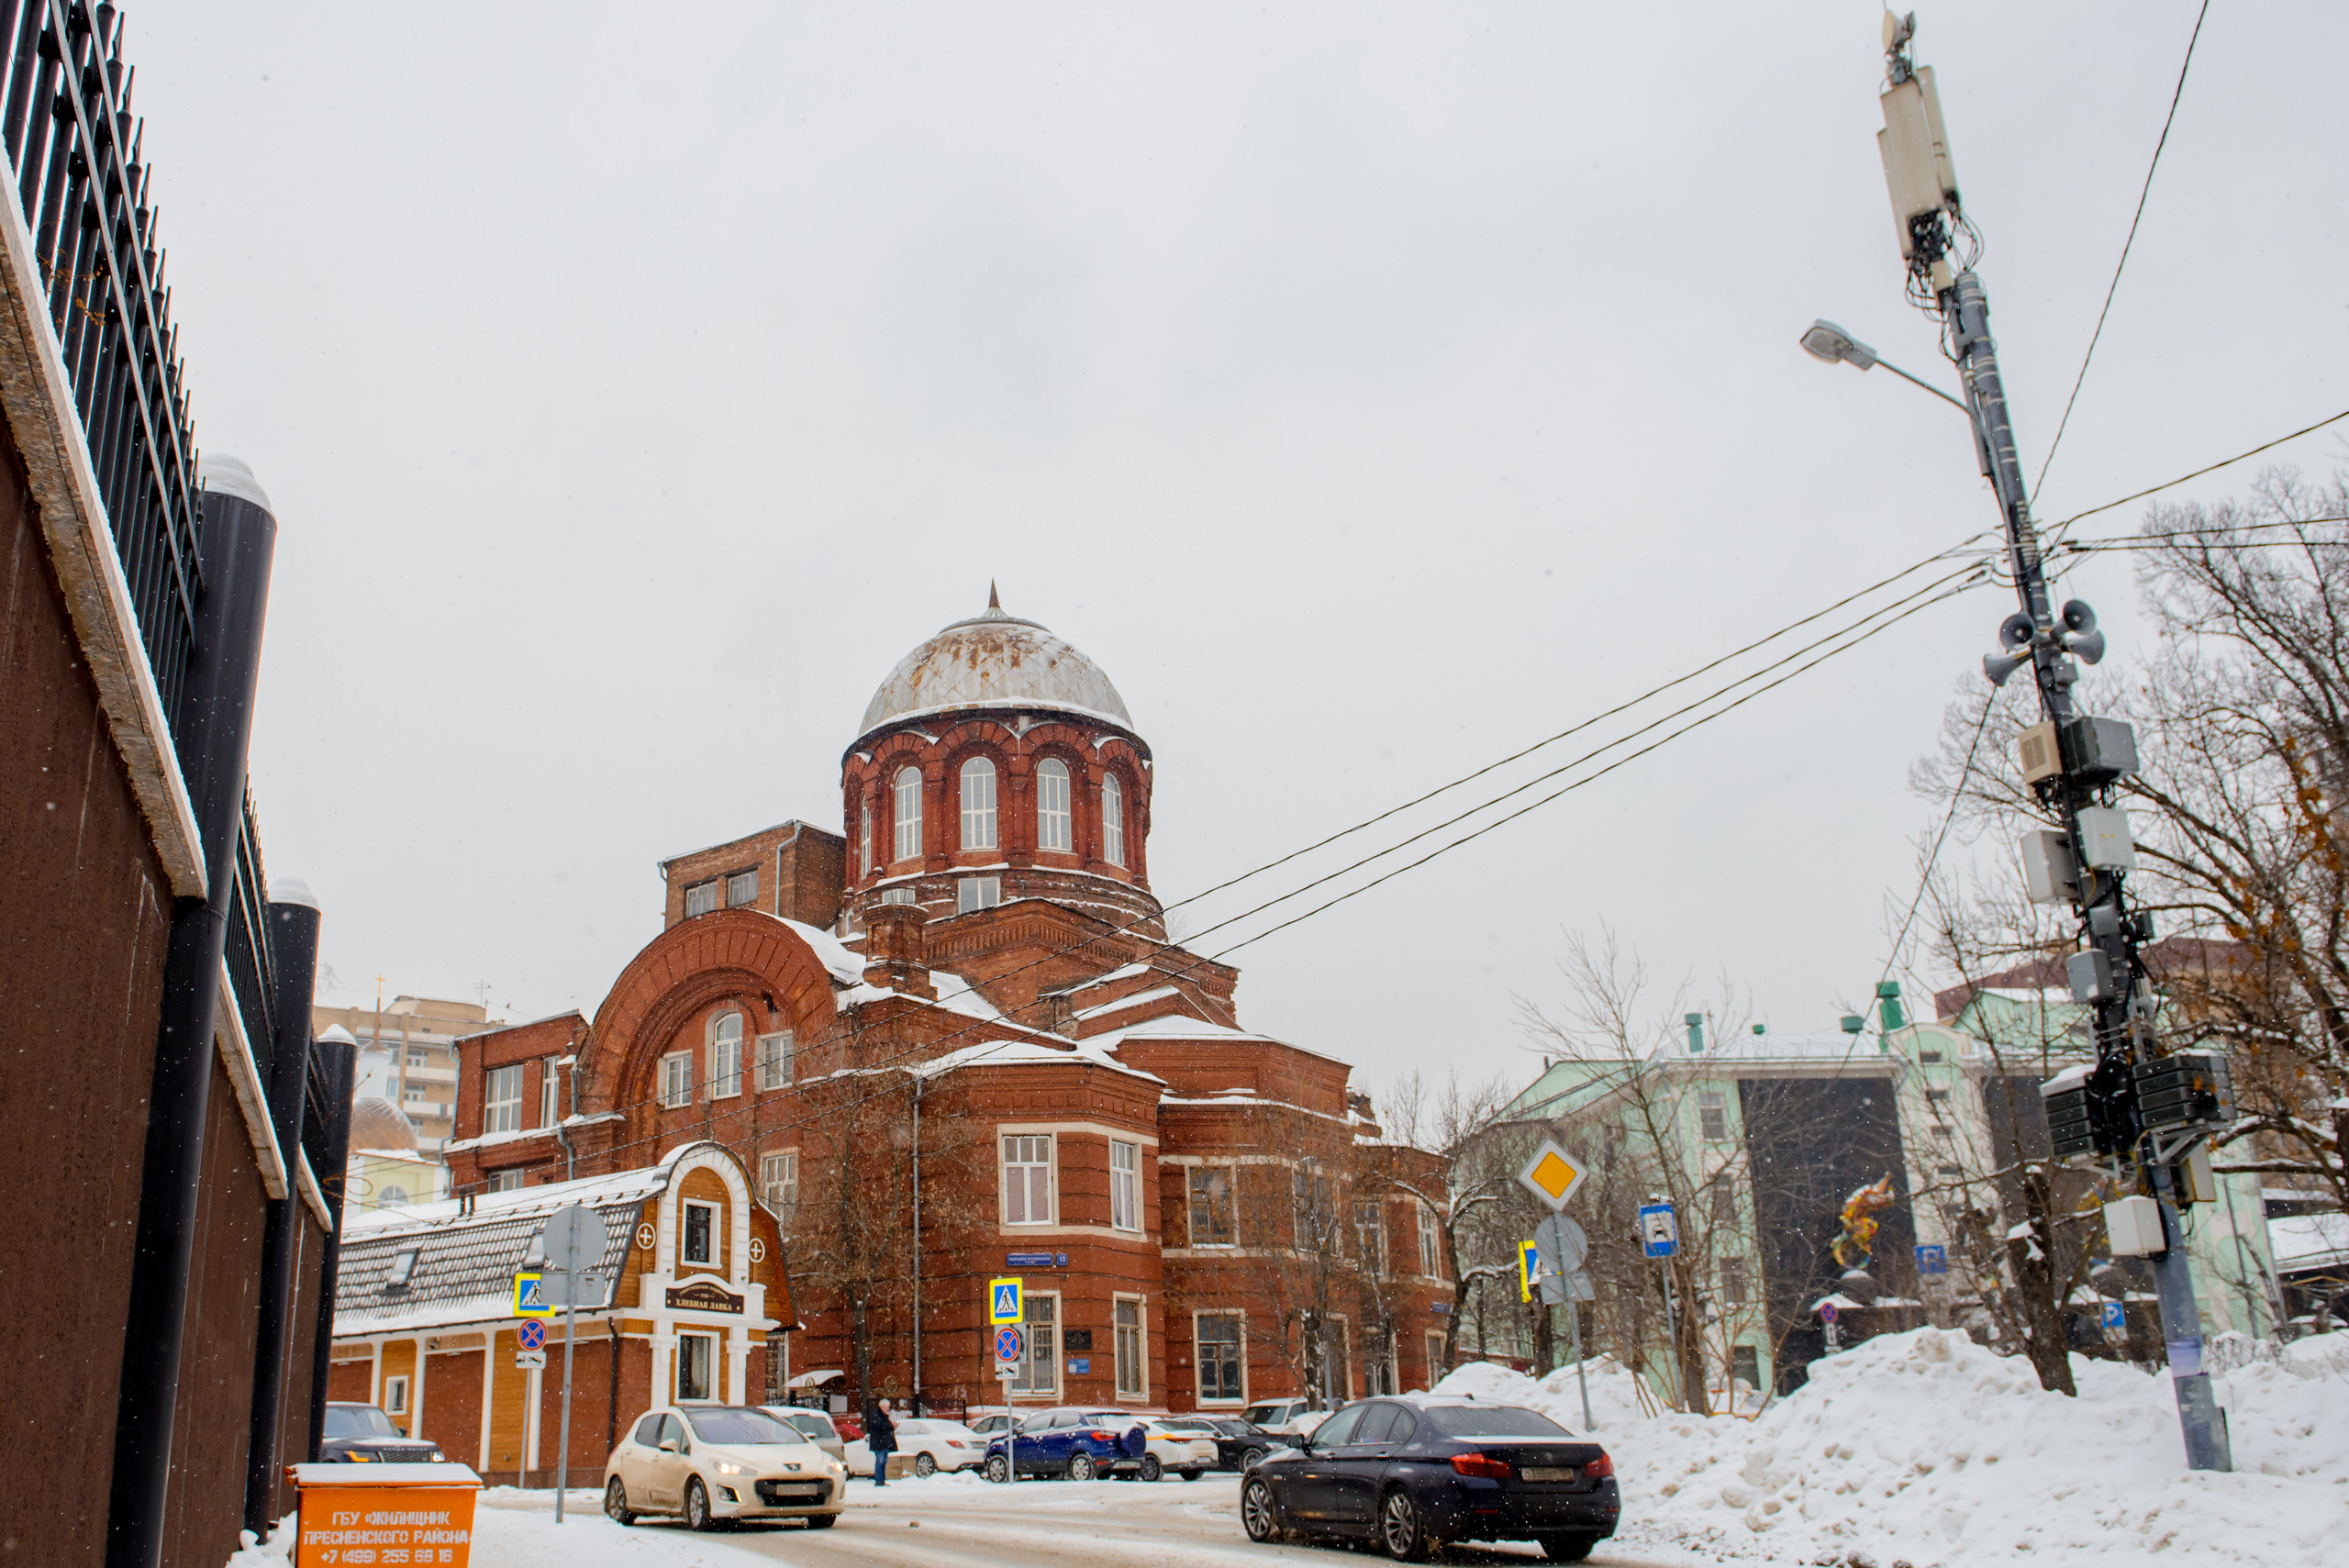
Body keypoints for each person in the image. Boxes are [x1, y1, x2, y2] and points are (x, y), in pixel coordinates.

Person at [866, 1397, 897, 1485]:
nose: (888, 1409)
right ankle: (879, 1481)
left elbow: (884, 1426)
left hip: (883, 1443)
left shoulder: (882, 1416)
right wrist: (891, 1425)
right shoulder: (877, 1415)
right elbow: (881, 1426)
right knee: (880, 1462)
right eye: (887, 1407)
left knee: (883, 1462)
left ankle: (882, 1480)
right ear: (882, 1407)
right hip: (879, 1443)